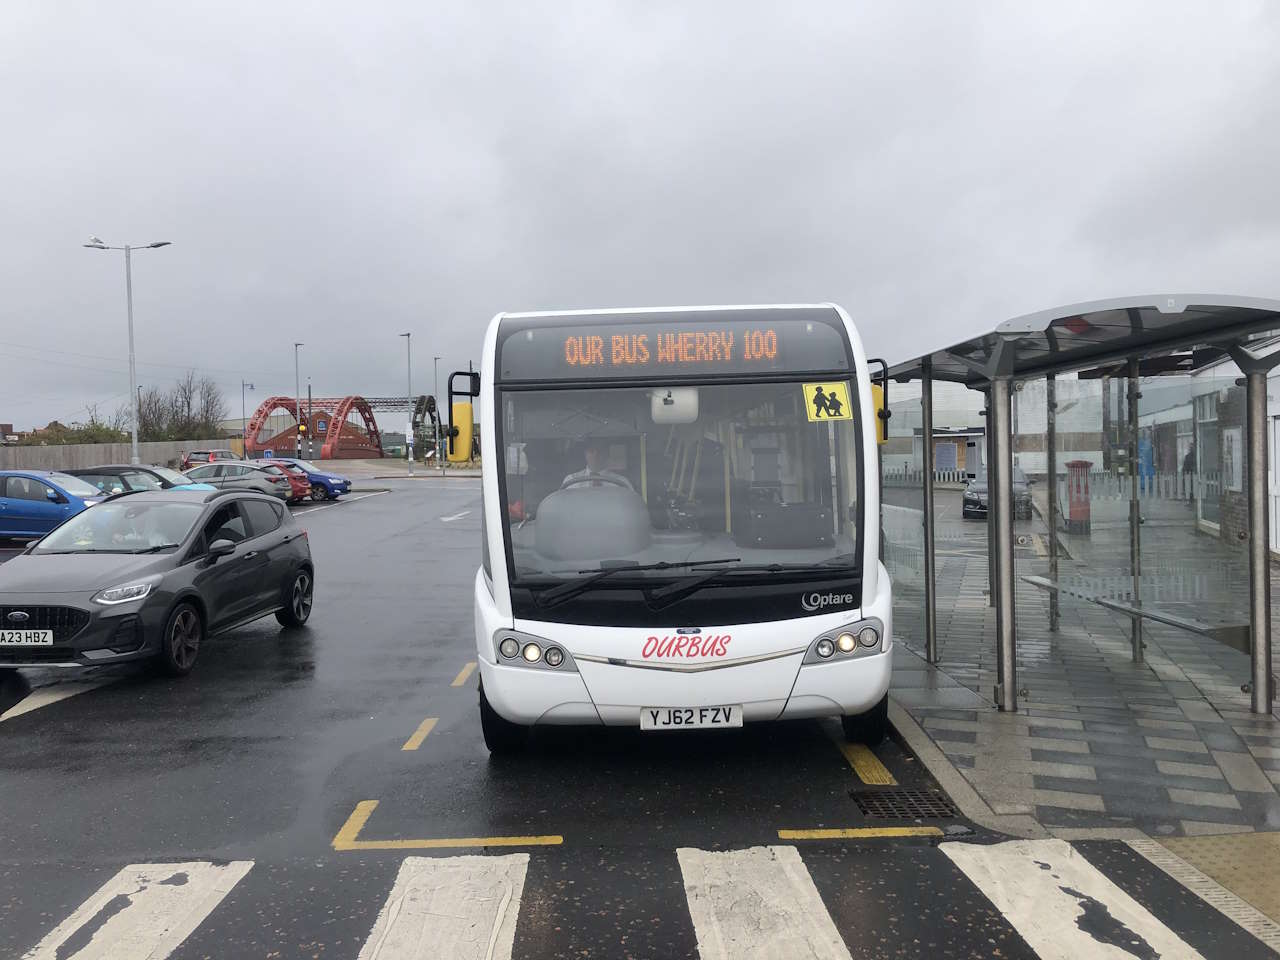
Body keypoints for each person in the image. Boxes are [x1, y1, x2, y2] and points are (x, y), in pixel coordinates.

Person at [562, 441, 634, 490]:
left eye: (600, 450)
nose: (595, 455)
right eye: (591, 451)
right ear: (585, 454)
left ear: (607, 454)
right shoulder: (571, 480)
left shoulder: (621, 482)